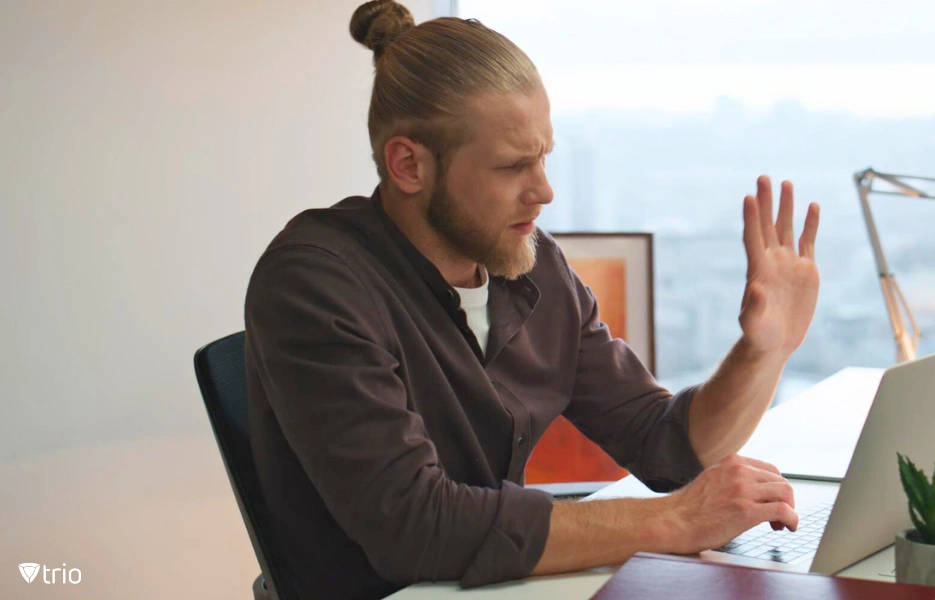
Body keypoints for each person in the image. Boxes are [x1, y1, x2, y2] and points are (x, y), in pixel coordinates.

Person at [243, 1, 821, 598]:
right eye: (514, 166)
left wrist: (764, 352)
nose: (543, 190)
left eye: (544, 156)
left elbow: (666, 444)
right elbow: (414, 528)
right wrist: (676, 521)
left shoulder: (531, 264)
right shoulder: (313, 285)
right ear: (409, 164)